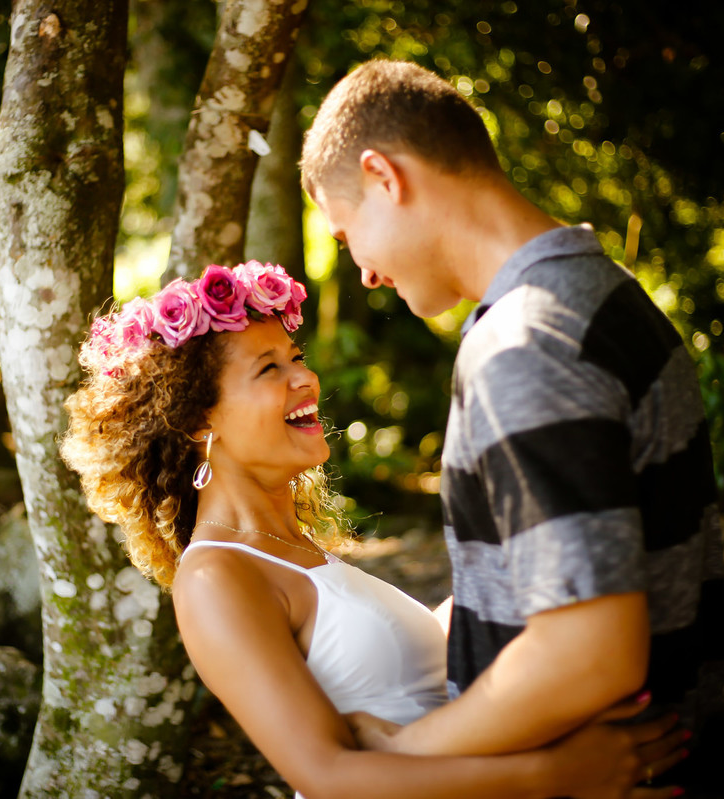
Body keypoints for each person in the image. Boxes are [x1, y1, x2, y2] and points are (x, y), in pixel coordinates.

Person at [61, 263, 688, 799]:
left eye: (296, 357)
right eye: (268, 369)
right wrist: (559, 774)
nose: (305, 378)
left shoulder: (292, 551)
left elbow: (399, 681)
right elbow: (328, 775)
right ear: (199, 421)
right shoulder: (215, 577)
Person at [300, 59, 724, 795]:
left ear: (384, 176)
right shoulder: (605, 293)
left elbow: (588, 654)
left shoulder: (524, 348)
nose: (365, 273)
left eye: (347, 237)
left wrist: (405, 749)